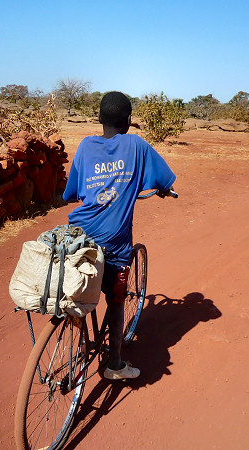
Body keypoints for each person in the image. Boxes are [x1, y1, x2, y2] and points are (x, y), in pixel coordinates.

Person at [62, 91, 176, 380]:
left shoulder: (86, 145)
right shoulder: (136, 145)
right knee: (115, 300)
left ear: (99, 119)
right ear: (128, 120)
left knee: (78, 288)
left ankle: (80, 337)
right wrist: (162, 189)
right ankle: (114, 365)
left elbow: (72, 191)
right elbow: (163, 179)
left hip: (78, 232)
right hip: (114, 242)